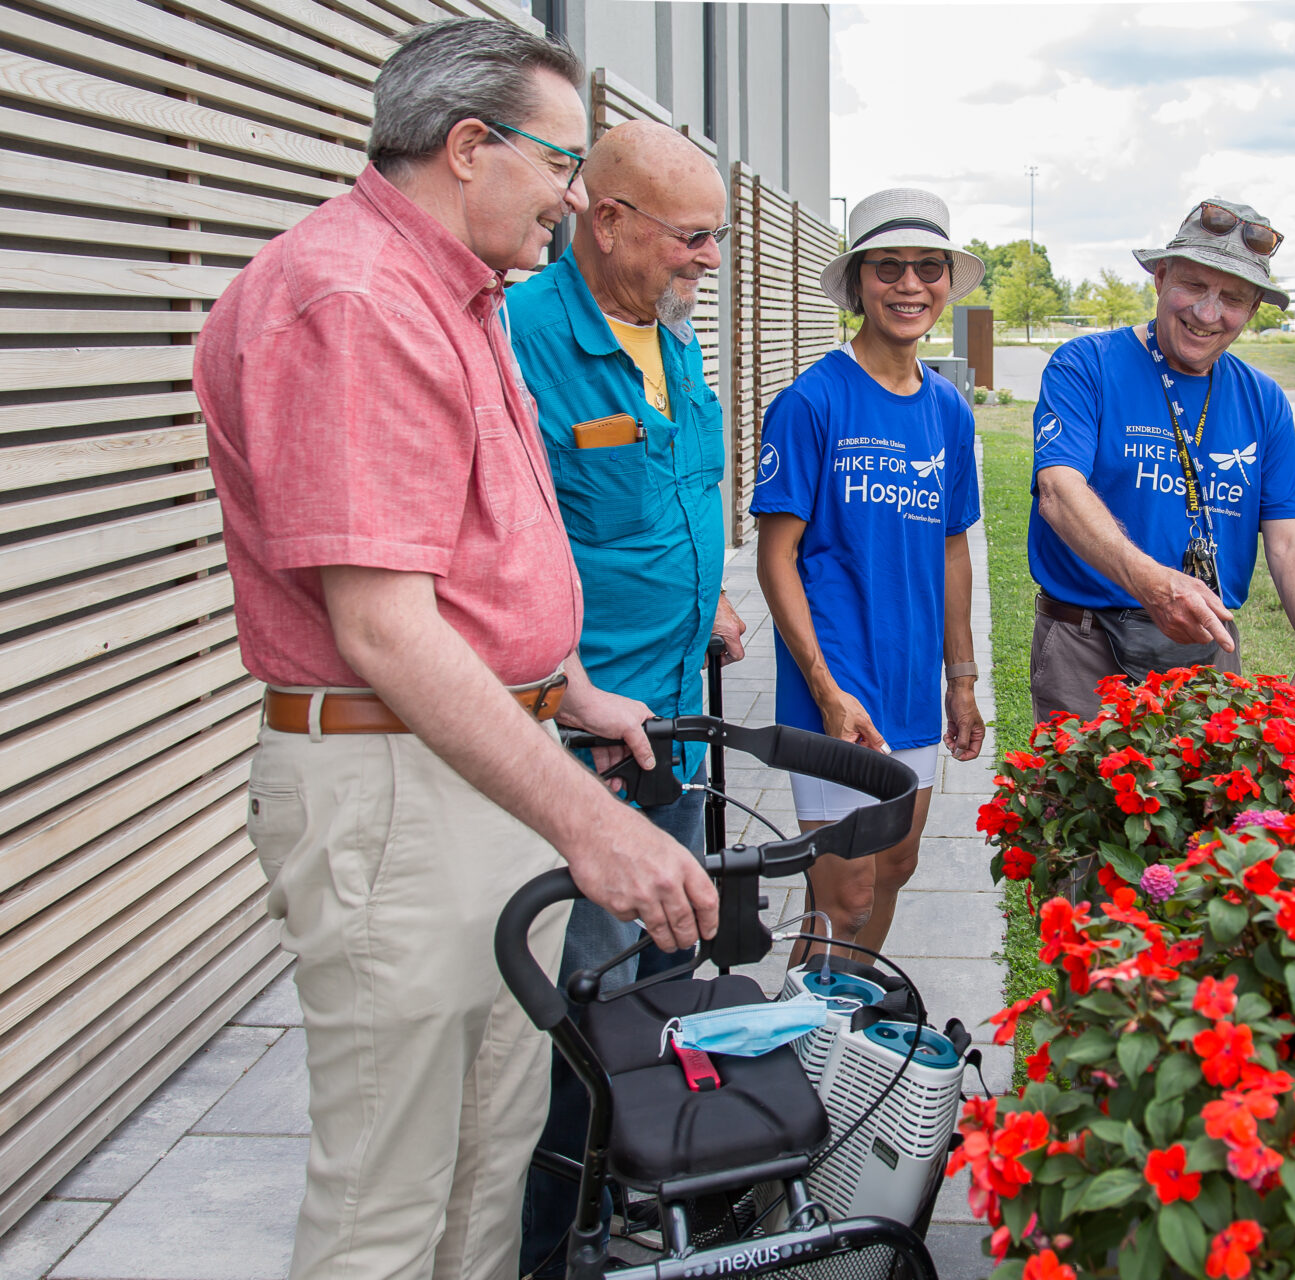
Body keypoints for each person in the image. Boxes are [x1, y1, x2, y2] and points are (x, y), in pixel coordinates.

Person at [194, 20, 717, 1280]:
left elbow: (468, 560)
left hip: (480, 763)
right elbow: (381, 625)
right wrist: (593, 825)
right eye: (561, 163)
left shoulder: (457, 289)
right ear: (470, 146)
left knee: (490, 1152)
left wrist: (572, 687)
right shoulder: (355, 298)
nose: (575, 198)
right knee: (389, 1192)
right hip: (398, 792)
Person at [500, 118, 743, 1273]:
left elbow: (667, 492)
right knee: (578, 1009)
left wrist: (713, 609)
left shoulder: (668, 329)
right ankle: (552, 1239)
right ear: (607, 222)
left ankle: (630, 1189)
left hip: (672, 726)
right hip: (585, 741)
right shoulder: (523, 340)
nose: (708, 258)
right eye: (692, 237)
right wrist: (573, 696)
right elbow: (503, 551)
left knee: (657, 979)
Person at [750, 188, 986, 965]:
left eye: (928, 268)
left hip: (914, 683)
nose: (910, 285)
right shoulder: (810, 402)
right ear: (857, 284)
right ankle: (805, 1054)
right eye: (888, 268)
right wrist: (823, 688)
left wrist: (960, 679)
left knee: (897, 865)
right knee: (842, 896)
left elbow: (954, 547)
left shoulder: (949, 410)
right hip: (839, 687)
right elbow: (774, 557)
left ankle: (844, 1030)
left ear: (948, 281)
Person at [1027, 199, 1295, 722]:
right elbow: (1059, 493)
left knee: (1208, 802)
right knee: (1081, 803)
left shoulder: (1263, 400)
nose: (1207, 313)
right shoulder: (1086, 365)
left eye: (1233, 298)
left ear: (1254, 309)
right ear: (1159, 276)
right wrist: (1153, 583)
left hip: (1208, 648)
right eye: (1193, 286)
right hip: (1087, 646)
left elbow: (1288, 536)